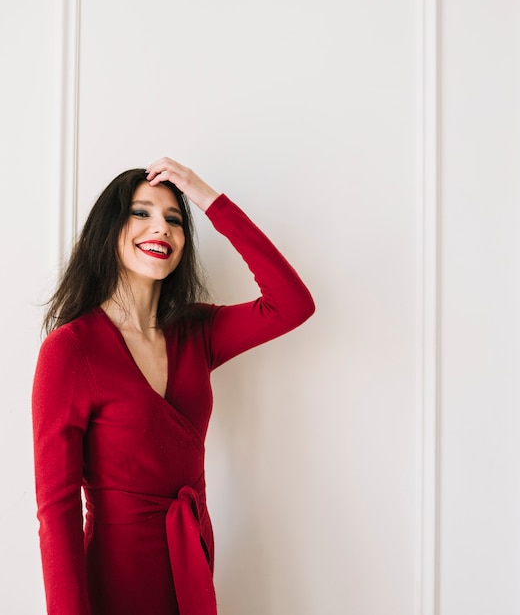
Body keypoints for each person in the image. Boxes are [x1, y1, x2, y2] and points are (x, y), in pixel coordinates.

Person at [32, 157, 315, 615]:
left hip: (190, 568)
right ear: (109, 230)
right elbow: (56, 514)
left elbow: (292, 304)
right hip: (114, 583)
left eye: (175, 219)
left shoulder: (196, 330)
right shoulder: (71, 350)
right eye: (141, 213)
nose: (160, 228)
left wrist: (208, 199)